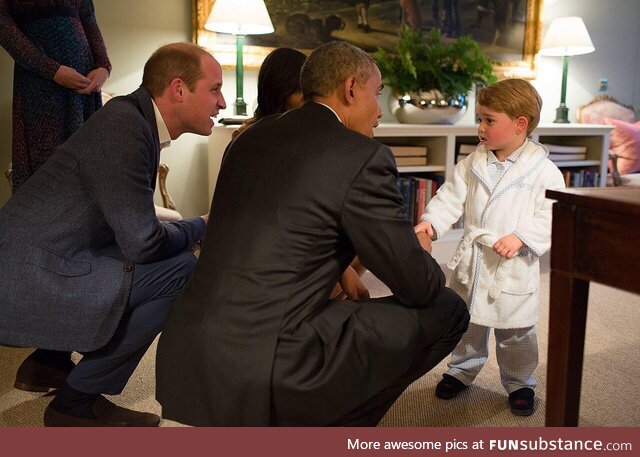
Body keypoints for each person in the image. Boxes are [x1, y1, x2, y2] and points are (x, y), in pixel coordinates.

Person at [156, 41, 469, 426]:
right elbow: (418, 286)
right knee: (449, 309)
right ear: (351, 88)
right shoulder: (362, 157)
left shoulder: (247, 139)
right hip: (271, 364)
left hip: (186, 351)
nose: (380, 111)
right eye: (378, 93)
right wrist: (419, 251)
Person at [0, 42, 226, 426]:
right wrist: (202, 224)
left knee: (156, 258)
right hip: (27, 276)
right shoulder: (126, 127)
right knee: (181, 269)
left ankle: (47, 363)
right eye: (215, 89)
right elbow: (144, 243)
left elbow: (127, 226)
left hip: (42, 258)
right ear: (178, 89)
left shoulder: (131, 119)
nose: (221, 103)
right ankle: (75, 403)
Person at [414, 78, 566, 416]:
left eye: (489, 120)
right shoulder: (473, 163)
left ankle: (521, 382)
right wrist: (431, 223)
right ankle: (461, 370)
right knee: (468, 321)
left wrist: (523, 236)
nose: (480, 128)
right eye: (479, 119)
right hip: (475, 260)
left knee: (516, 331)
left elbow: (552, 212)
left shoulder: (543, 171)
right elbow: (449, 196)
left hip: (512, 264)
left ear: (520, 124)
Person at [0, 0, 111, 192]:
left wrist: (103, 66)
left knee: (87, 164)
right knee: (47, 168)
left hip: (84, 84)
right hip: (41, 84)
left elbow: (88, 18)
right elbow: (3, 25)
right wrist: (52, 70)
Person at [232, 47, 307, 139]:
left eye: (309, 89)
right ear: (278, 91)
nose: (308, 97)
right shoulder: (245, 136)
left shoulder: (314, 131)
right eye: (299, 90)